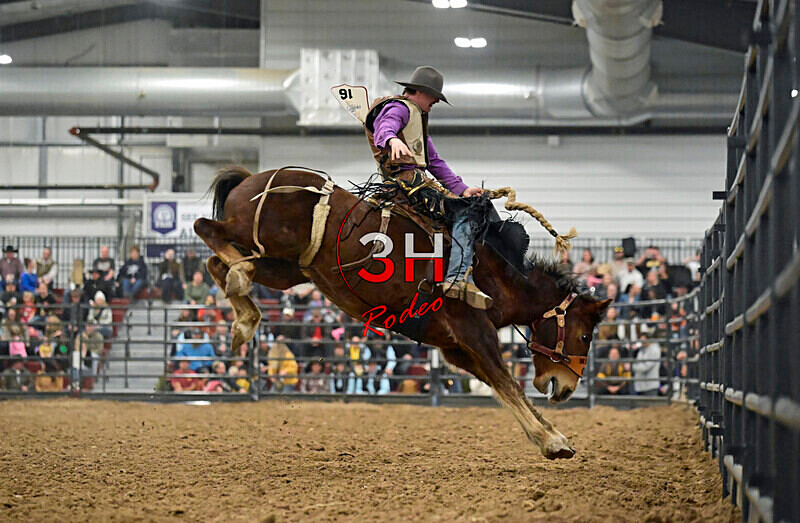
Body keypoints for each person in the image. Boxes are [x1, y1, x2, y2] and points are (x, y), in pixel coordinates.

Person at [364, 66, 492, 310]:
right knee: (467, 212)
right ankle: (457, 277)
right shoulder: (400, 108)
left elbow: (434, 161)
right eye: (433, 98)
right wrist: (391, 141)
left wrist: (462, 189)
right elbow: (385, 127)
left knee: (465, 203)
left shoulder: (414, 121)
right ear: (421, 93)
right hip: (410, 184)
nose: (434, 103)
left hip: (411, 182)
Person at [632, 331, 662, 396]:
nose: (642, 342)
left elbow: (646, 367)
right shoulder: (641, 350)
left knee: (651, 405)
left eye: (644, 340)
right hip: (640, 385)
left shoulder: (654, 350)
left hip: (650, 385)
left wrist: (632, 367)